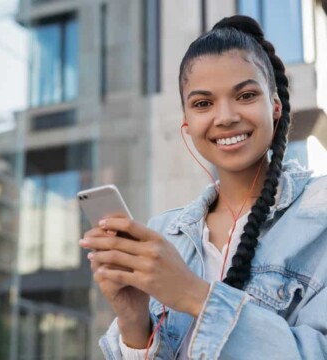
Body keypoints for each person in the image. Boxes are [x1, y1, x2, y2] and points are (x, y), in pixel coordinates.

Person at [79, 15, 327, 359]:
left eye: (245, 95)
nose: (224, 116)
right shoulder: (163, 234)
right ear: (187, 124)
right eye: (202, 104)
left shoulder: (320, 215)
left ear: (275, 107)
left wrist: (195, 296)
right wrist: (134, 320)